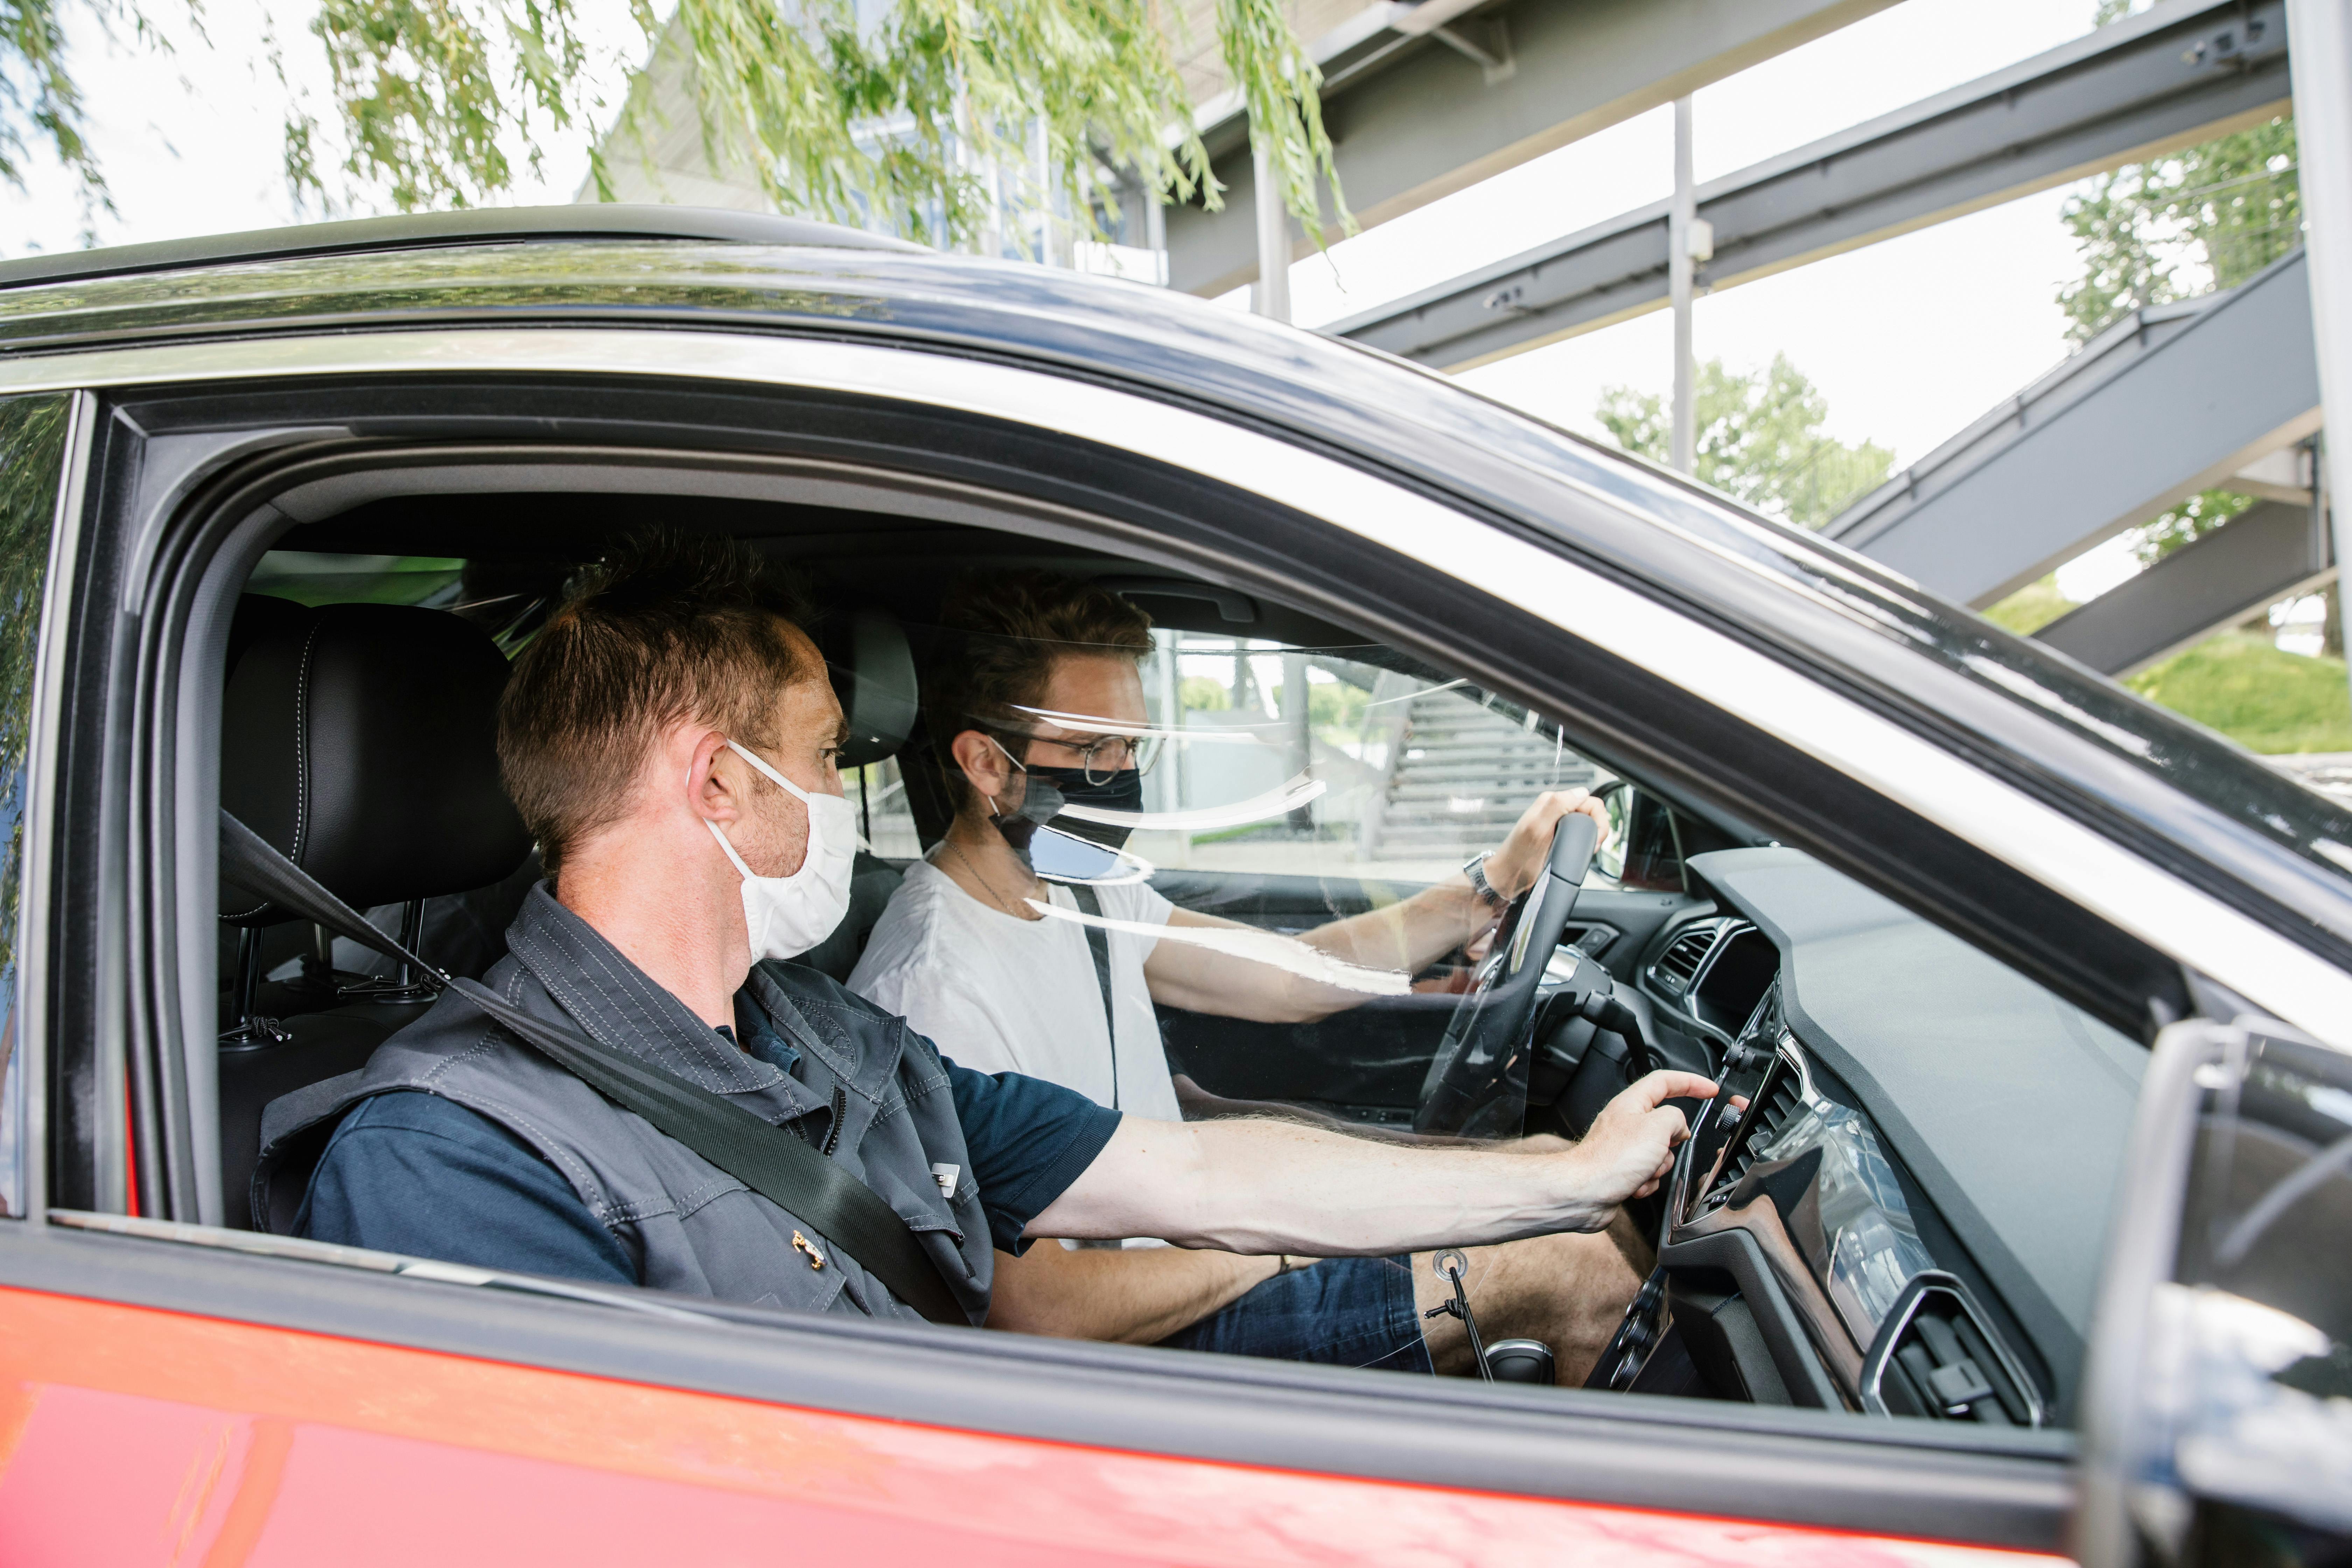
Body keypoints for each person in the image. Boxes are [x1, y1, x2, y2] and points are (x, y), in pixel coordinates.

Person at [264, 535, 1713, 1346]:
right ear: (717, 783)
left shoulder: (828, 1036)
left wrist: (1555, 1168)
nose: (847, 806)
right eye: (831, 763)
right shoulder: (454, 1155)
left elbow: (1198, 1153)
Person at [848, 573, 1650, 1379]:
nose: (1123, 774)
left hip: (1201, 1245)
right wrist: (1280, 1235)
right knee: (1573, 1269)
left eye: (1133, 745)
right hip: (1146, 1340)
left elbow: (1286, 979)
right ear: (986, 761)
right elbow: (1044, 1310)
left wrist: (1488, 887)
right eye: (1094, 749)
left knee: (1552, 1160)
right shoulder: (935, 986)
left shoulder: (1081, 883)